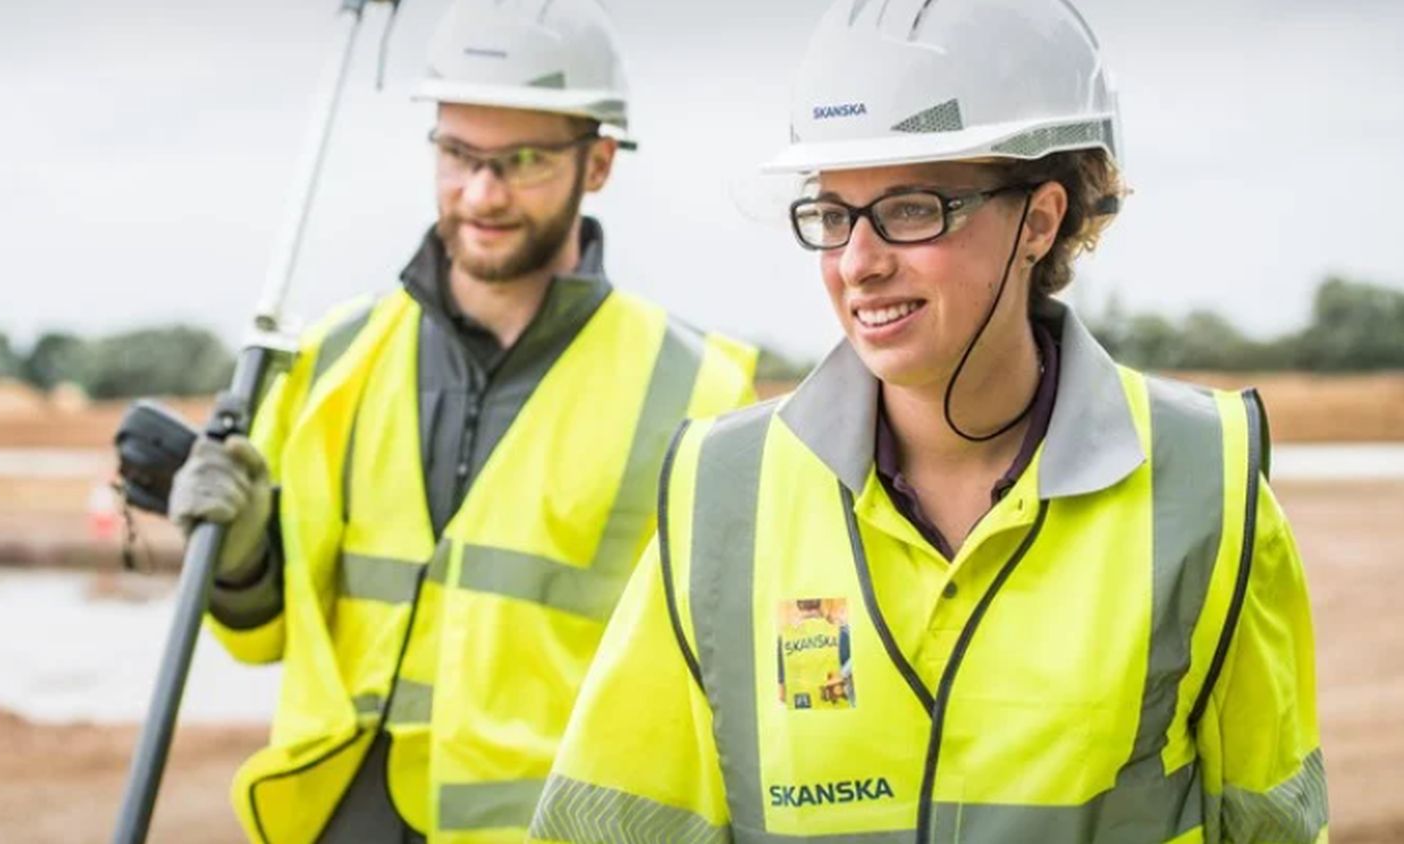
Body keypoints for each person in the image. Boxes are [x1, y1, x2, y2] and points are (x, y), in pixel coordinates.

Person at [530, 0, 1327, 841]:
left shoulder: (1204, 487)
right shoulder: (722, 498)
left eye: (910, 209)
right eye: (833, 214)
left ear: (1041, 219)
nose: (858, 263)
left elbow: (1273, 826)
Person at [168, 0, 755, 840]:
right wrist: (235, 559)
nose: (481, 192)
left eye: (521, 159)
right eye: (457, 154)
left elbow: (730, 694)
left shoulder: (700, 393)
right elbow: (267, 637)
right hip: (343, 820)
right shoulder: (332, 358)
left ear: (598, 165)